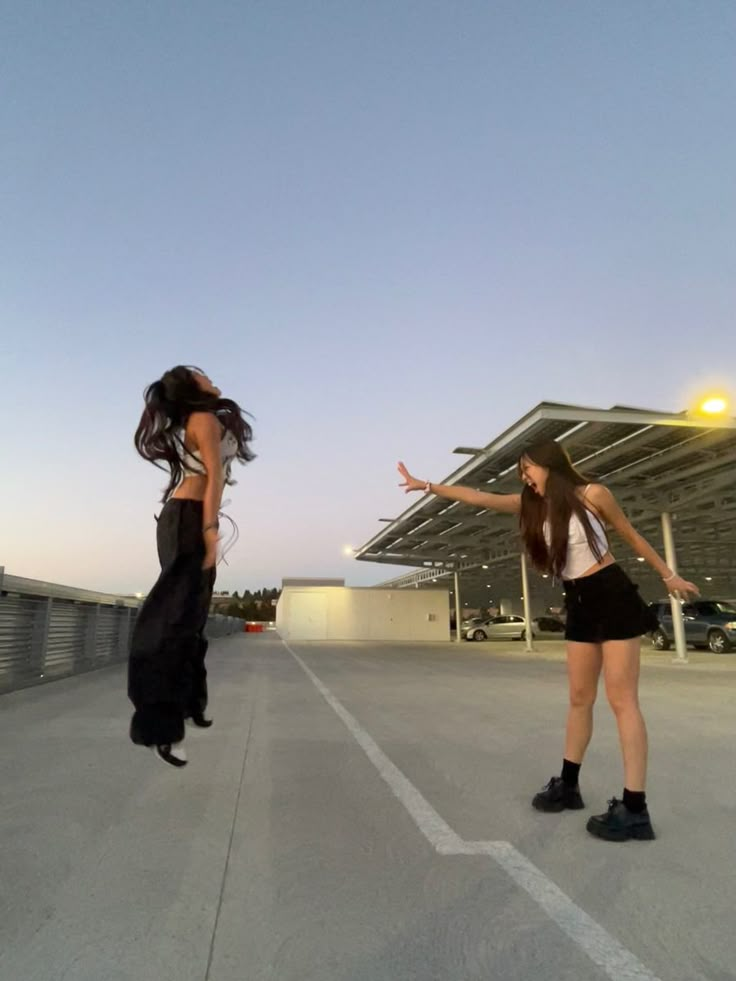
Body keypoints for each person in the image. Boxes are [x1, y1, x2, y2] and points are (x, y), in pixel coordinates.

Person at [398, 441, 698, 842]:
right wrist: (429, 486)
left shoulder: (592, 494)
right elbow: (478, 496)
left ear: (549, 464)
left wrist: (667, 574)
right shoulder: (533, 505)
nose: (524, 478)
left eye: (528, 470)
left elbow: (630, 535)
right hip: (577, 600)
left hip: (611, 594)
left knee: (622, 700)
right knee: (578, 697)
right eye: (521, 473)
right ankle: (569, 785)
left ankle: (635, 808)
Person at [128, 366, 254, 767]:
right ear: (191, 387)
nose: (211, 377)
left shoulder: (205, 419)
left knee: (190, 619)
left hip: (185, 517)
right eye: (201, 375)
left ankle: (184, 707)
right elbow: (214, 475)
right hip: (189, 519)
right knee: (172, 619)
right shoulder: (201, 419)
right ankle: (158, 728)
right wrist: (211, 527)